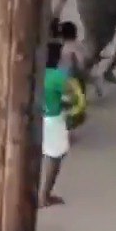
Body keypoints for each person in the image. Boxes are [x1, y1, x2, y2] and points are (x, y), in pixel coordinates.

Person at [40, 64, 73, 207]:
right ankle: (44, 196)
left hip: (33, 116)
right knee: (54, 157)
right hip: (52, 119)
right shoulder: (56, 76)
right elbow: (71, 99)